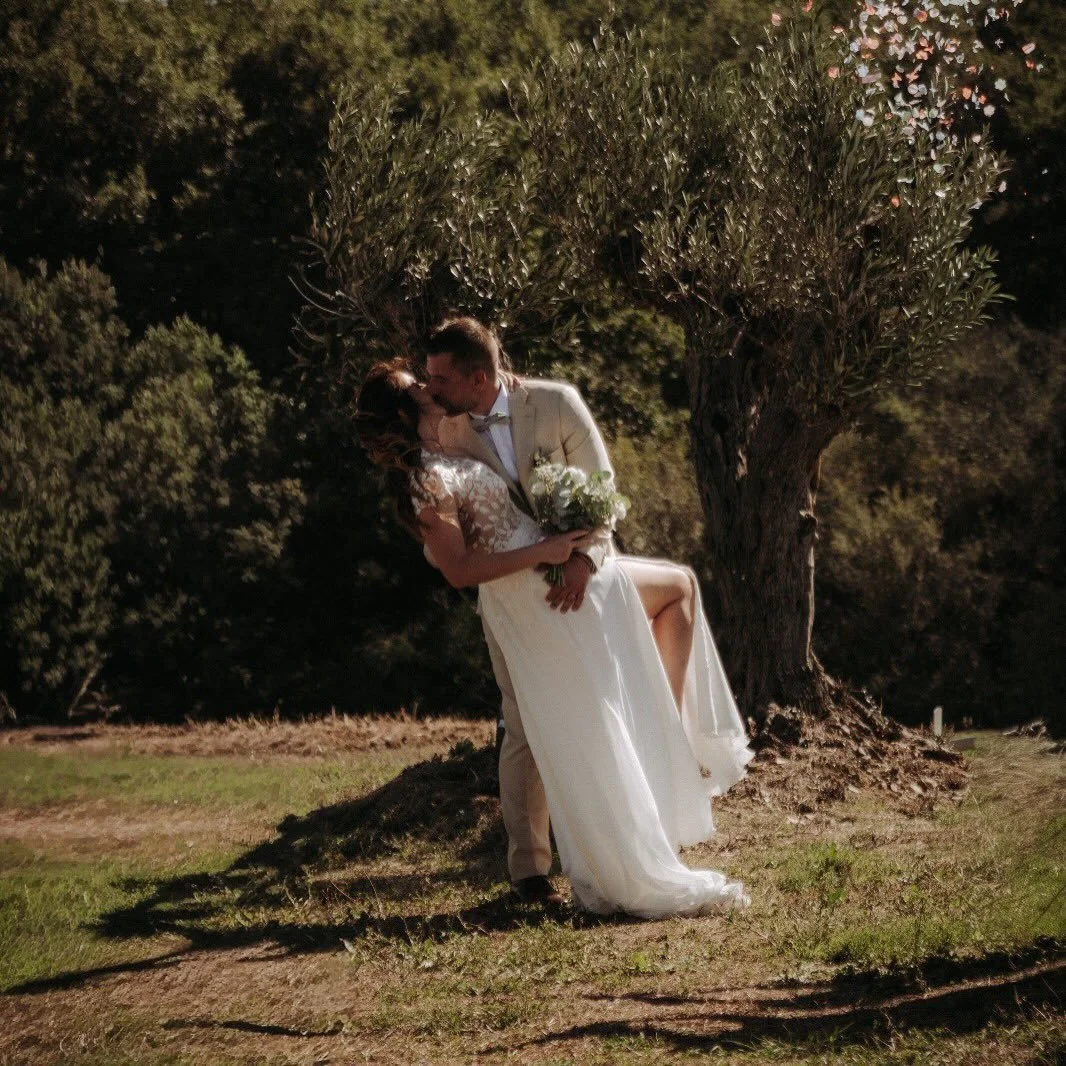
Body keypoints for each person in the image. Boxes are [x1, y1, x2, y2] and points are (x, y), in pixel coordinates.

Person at [356, 357, 753, 918]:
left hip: (545, 577)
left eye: (430, 379)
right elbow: (459, 569)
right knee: (577, 723)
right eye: (417, 387)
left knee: (599, 705)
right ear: (405, 410)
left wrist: (500, 375)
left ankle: (660, 776)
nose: (428, 387)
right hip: (530, 594)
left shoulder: (445, 444)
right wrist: (544, 552)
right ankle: (605, 862)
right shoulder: (426, 476)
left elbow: (489, 398)